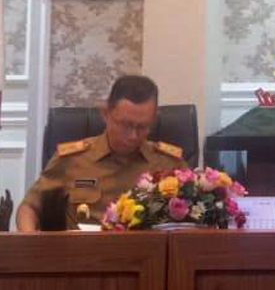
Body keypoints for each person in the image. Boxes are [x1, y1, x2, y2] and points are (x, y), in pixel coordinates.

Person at [16, 75, 187, 232]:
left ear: (154, 120)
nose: (133, 136)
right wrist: (32, 244)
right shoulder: (72, 159)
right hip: (82, 252)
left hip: (148, 253)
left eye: (142, 126)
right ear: (105, 113)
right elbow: (30, 208)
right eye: (125, 125)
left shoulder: (170, 164)